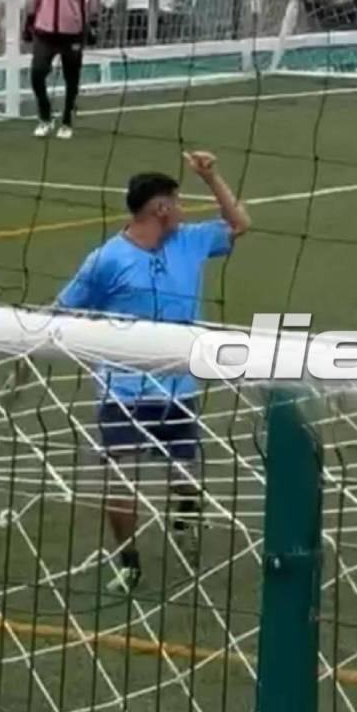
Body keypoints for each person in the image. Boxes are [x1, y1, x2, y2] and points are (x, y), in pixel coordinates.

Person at [55, 151, 251, 593]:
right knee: (119, 479)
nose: (182, 210)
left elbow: (240, 223)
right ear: (161, 208)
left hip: (179, 387)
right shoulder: (106, 260)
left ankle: (185, 515)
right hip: (123, 392)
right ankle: (129, 563)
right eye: (177, 202)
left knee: (187, 478)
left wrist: (211, 177)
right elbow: (63, 310)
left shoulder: (191, 241)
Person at [24, 0, 98, 140]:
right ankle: (45, 116)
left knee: (71, 77)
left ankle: (67, 120)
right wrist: (29, 18)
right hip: (44, 28)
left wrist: (93, 21)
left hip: (71, 29)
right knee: (37, 73)